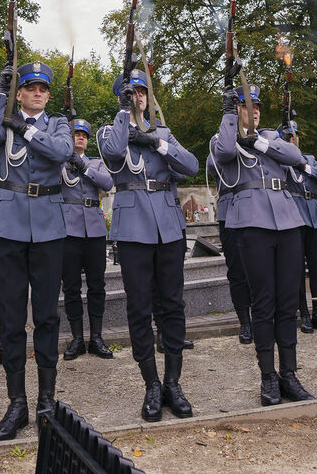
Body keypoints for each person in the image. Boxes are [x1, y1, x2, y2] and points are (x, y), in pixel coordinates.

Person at [97, 69, 199, 422]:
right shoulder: (110, 132)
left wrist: (156, 142)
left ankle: (173, 382)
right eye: (130, 93)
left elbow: (190, 166)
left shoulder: (164, 133)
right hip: (132, 228)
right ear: (122, 99)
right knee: (139, 308)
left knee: (172, 304)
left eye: (141, 92)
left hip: (168, 228)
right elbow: (111, 157)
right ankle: (151, 384)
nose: (138, 96)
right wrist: (125, 116)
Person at [0, 60, 72, 440]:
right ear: (20, 93)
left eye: (42, 89)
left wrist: (27, 129)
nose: (37, 93)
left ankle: (46, 400)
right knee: (11, 316)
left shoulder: (59, 124)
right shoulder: (4, 118)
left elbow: (61, 152)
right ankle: (16, 403)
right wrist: (0, 93)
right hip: (9, 224)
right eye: (29, 88)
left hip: (48, 225)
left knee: (48, 315)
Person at [208, 84, 313, 406]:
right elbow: (223, 154)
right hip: (251, 224)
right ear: (235, 109)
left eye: (256, 106)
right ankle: (268, 375)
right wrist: (230, 118)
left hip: (288, 222)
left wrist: (260, 140)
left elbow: (295, 156)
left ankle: (290, 374)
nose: (252, 111)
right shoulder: (223, 137)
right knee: (264, 303)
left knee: (287, 303)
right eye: (244, 106)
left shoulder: (270, 138)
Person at [59, 118, 115, 361]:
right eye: (75, 133)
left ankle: (97, 338)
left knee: (97, 285)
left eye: (83, 134)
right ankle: (77, 339)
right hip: (68, 229)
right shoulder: (59, 163)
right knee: (71, 286)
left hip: (93, 228)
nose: (80, 137)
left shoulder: (96, 162)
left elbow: (107, 182)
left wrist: (83, 166)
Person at [279, 120, 317, 334]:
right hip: (294, 219)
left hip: (314, 217)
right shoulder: (280, 162)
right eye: (287, 137)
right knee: (296, 270)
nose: (292, 140)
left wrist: (303, 166)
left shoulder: (310, 160)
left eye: (294, 137)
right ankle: (303, 313)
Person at [210, 150, 253, 345]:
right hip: (230, 211)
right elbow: (213, 166)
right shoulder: (219, 142)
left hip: (255, 209)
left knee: (261, 270)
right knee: (237, 272)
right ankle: (245, 322)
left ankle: (264, 318)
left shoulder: (257, 139)